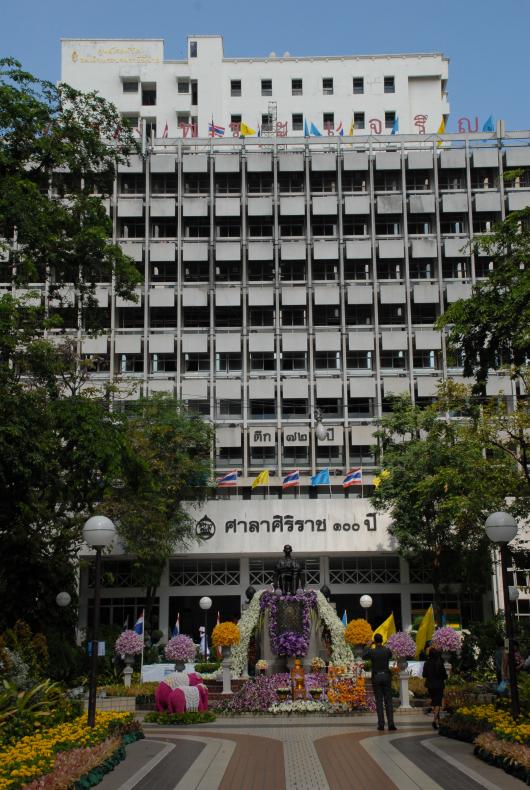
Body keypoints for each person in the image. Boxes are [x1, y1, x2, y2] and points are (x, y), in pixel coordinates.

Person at [363, 633, 397, 731]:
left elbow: (363, 656)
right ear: (382, 640)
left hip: (376, 677)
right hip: (386, 676)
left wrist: (368, 645)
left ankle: (381, 724)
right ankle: (391, 724)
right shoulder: (386, 650)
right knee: (388, 701)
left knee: (379, 701)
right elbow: (391, 654)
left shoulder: (372, 651)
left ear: (374, 641)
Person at [422, 648, 447, 729]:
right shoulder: (439, 663)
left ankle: (439, 722)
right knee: (438, 703)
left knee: (435, 703)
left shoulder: (426, 663)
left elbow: (424, 675)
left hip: (430, 685)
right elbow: (444, 675)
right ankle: (434, 720)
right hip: (439, 685)